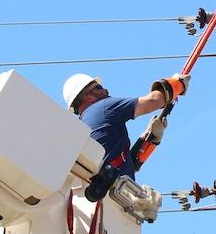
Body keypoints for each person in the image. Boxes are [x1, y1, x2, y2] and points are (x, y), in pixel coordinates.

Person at [61, 72, 189, 182]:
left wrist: (149, 139)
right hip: (117, 196)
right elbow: (155, 100)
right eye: (99, 87)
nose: (106, 90)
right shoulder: (103, 107)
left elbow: (122, 163)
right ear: (88, 97)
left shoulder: (82, 130)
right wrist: (177, 84)